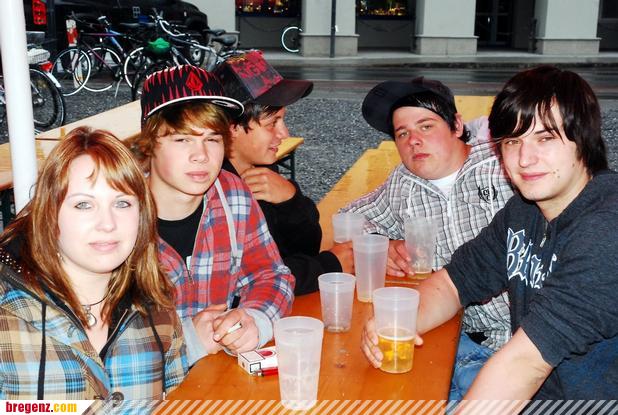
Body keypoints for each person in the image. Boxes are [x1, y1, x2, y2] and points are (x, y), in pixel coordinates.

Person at [361, 66, 618, 402]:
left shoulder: (606, 228)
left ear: (583, 139)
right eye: (513, 141)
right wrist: (400, 319)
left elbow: (525, 364)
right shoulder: (524, 211)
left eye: (545, 138)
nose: (525, 159)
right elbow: (454, 282)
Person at [341, 77, 514, 399]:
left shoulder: (502, 168)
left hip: (520, 340)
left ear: (457, 125)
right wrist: (383, 244)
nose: (414, 141)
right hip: (452, 334)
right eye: (402, 133)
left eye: (426, 126)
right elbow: (350, 216)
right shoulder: (404, 182)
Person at [0, 127, 187, 402]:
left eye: (122, 203)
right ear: (50, 213)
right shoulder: (7, 314)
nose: (107, 224)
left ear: (142, 215)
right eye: (84, 205)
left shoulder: (157, 307)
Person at [129, 65, 295, 364]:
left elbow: (271, 275)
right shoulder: (116, 216)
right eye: (182, 139)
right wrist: (186, 342)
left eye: (213, 139)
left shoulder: (231, 194)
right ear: (150, 143)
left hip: (215, 380)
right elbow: (94, 341)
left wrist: (255, 320)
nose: (201, 155)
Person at [213, 51, 354, 295]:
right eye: (272, 123)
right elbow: (245, 280)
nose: (284, 134)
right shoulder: (213, 190)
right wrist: (328, 266)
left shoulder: (263, 169)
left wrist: (290, 200)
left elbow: (305, 248)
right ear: (232, 128)